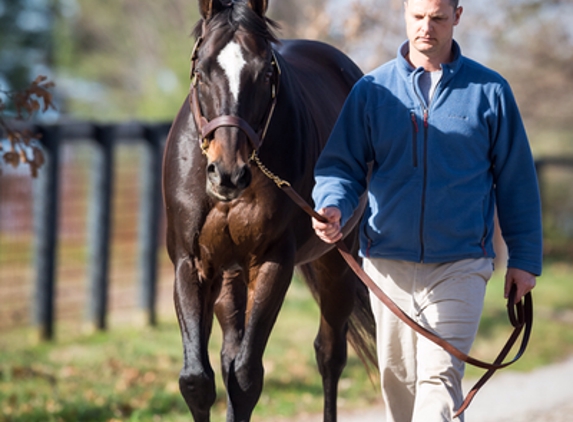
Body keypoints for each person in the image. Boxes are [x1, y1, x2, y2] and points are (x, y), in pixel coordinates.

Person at [311, 0, 543, 421]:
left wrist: (524, 259)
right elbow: (341, 167)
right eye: (417, 17)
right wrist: (332, 205)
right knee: (399, 391)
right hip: (386, 265)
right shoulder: (373, 91)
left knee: (438, 384)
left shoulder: (490, 92)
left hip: (461, 263)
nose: (426, 28)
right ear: (405, 13)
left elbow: (517, 183)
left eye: (437, 18)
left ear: (457, 15)